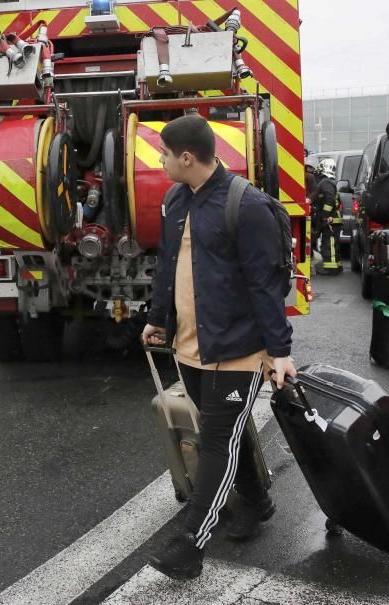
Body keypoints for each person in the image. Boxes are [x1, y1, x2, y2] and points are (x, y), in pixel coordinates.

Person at [141, 115, 296, 580]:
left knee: (215, 442)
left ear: (186, 157)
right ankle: (257, 502)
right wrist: (157, 318)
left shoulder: (246, 206)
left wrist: (279, 351)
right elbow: (169, 266)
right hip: (191, 347)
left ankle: (190, 544)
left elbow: (265, 284)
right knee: (223, 432)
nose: (160, 160)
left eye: (164, 153)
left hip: (239, 350)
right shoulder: (175, 200)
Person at [312, 158, 343, 274]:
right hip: (333, 219)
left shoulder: (325, 183)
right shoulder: (330, 182)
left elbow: (329, 199)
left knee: (329, 244)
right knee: (333, 244)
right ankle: (337, 266)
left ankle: (331, 268)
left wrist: (325, 216)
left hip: (330, 220)